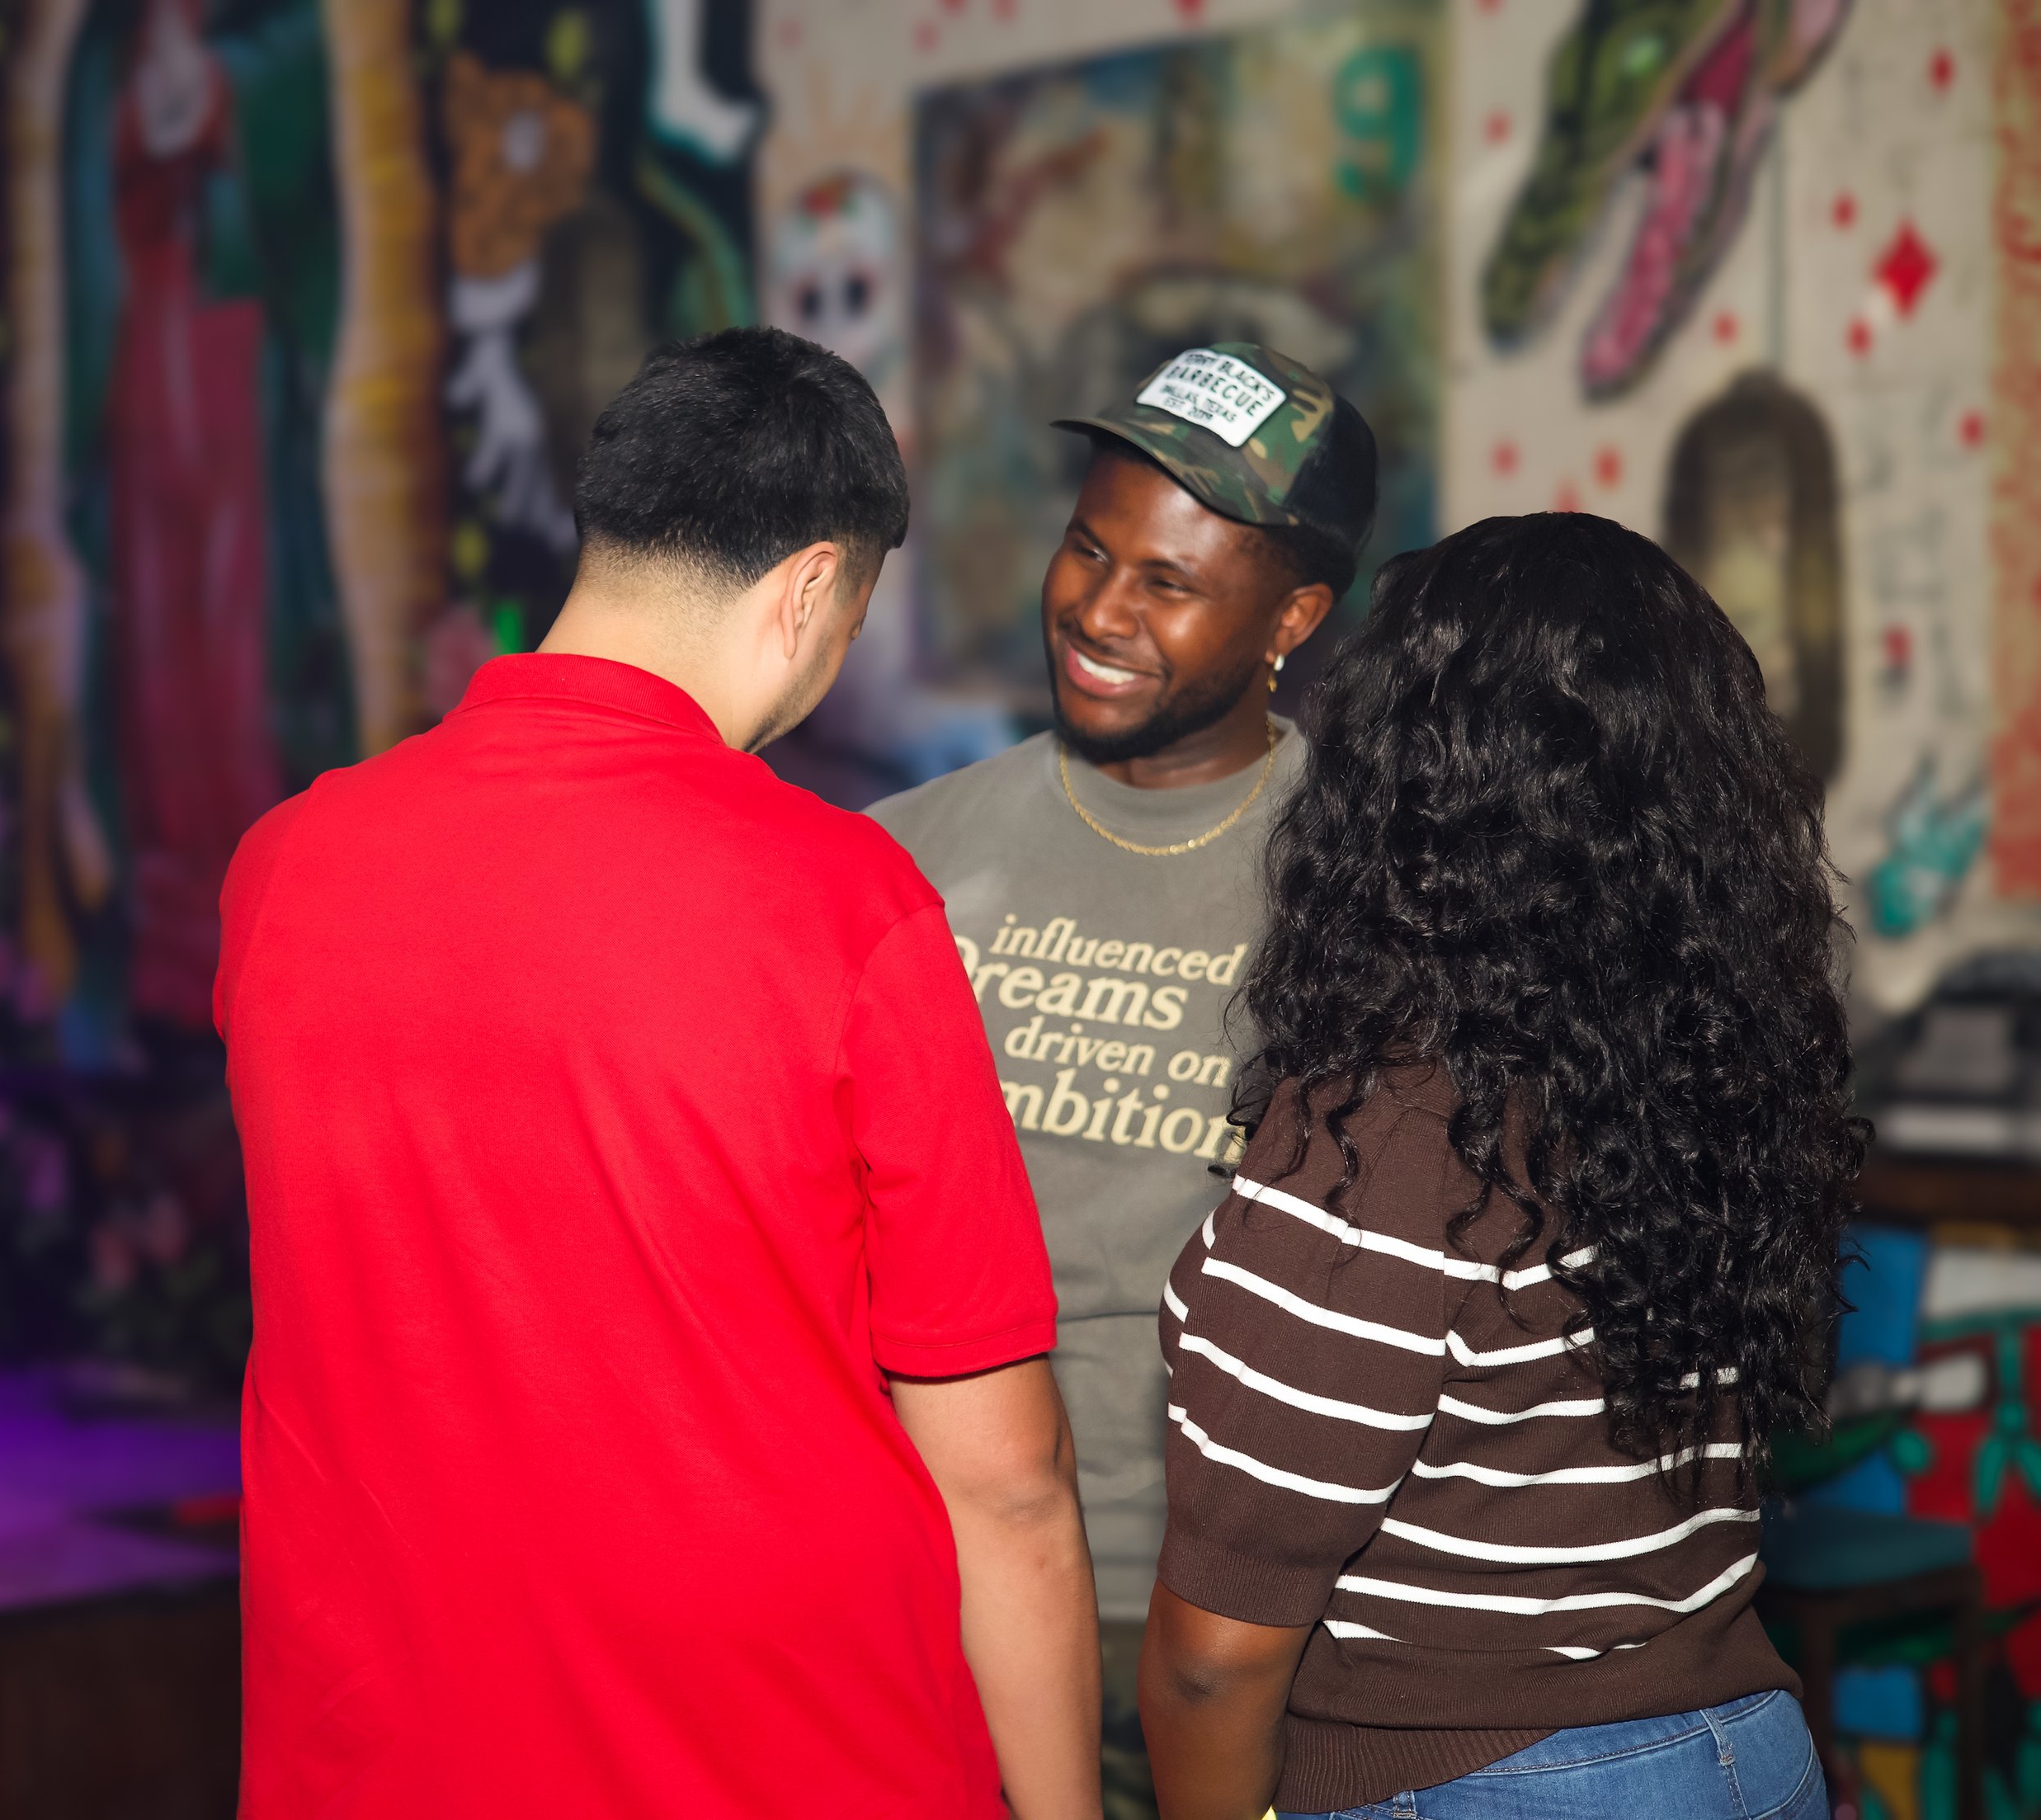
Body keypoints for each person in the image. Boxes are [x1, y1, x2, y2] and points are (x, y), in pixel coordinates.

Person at [216, 328, 1101, 1818]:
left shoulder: (282, 866)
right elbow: (1004, 1478)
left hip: (383, 1752)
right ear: (813, 584)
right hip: (784, 1753)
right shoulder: (846, 904)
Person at [1140, 512, 1856, 1820]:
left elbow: (1213, 1660)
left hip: (1487, 1778)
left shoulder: (1391, 1131)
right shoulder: (1704, 1070)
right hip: (1749, 1754)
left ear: (1406, 778)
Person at [871, 342, 1378, 1813]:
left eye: (1168, 581)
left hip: (1240, 1623)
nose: (1100, 609)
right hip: (940, 1586)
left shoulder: (1365, 876)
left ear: (1292, 617)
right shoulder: (904, 856)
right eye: (1090, 548)